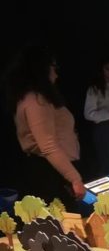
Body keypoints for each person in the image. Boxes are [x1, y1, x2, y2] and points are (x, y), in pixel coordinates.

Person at [6, 45, 85, 211]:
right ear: (41, 69)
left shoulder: (35, 98)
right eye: (53, 67)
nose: (56, 73)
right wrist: (74, 178)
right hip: (50, 175)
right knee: (62, 221)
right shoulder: (36, 101)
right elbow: (48, 145)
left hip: (54, 171)